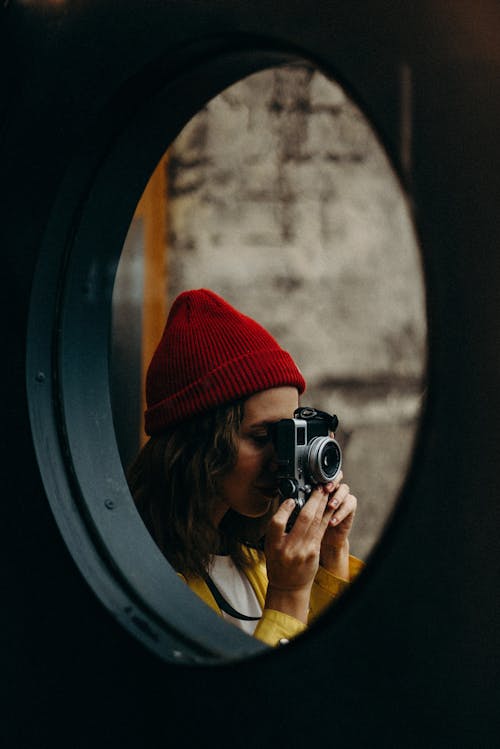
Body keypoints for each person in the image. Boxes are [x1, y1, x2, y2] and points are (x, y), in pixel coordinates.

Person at [128, 288, 363, 647]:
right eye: (260, 436)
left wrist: (329, 558)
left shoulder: (261, 560)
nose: (280, 460)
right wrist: (286, 595)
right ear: (199, 443)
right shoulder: (140, 580)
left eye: (288, 435)